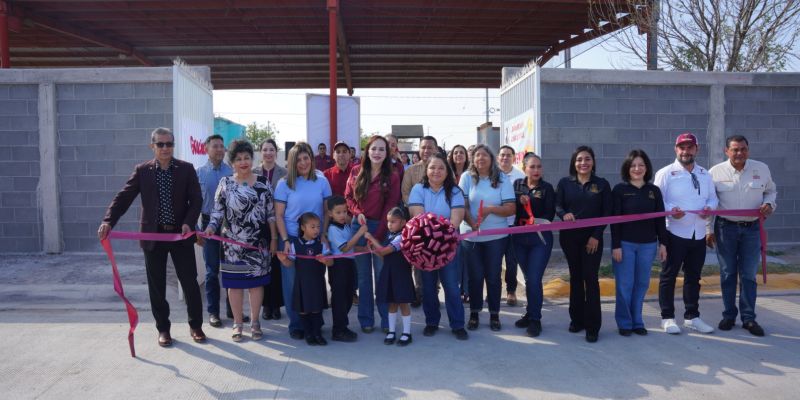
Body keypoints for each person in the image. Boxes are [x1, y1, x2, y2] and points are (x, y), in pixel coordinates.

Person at [98, 127, 205, 347]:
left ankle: (196, 326)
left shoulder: (186, 169)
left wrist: (188, 223)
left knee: (190, 283)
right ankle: (163, 329)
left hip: (180, 236)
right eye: (160, 144)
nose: (165, 148)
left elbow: (196, 200)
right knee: (157, 286)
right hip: (153, 237)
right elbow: (123, 198)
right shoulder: (143, 171)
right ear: (152, 146)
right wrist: (108, 220)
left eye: (169, 144)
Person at [204, 140, 277, 342]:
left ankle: (255, 322)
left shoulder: (263, 183)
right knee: (234, 286)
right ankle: (238, 323)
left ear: (252, 159)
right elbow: (217, 213)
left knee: (255, 285)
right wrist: (210, 227)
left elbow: (271, 214)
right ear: (232, 162)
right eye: (238, 159)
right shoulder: (225, 184)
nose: (243, 162)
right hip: (231, 247)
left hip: (258, 245)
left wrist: (273, 239)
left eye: (246, 158)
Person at [707, 135, 776, 337]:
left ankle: (748, 318)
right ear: (726, 151)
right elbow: (709, 203)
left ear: (748, 150)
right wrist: (708, 230)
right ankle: (729, 315)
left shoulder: (761, 169)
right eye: (735, 149)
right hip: (724, 229)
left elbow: (771, 191)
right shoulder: (715, 172)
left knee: (748, 275)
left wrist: (770, 204)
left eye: (743, 149)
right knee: (728, 273)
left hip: (752, 229)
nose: (739, 153)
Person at [654, 132, 718, 335]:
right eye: (682, 147)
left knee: (693, 277)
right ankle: (667, 317)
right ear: (676, 149)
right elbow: (657, 200)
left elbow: (713, 198)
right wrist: (672, 209)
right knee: (669, 276)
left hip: (698, 234)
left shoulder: (704, 174)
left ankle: (692, 316)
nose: (685, 151)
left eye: (690, 147)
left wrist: (709, 208)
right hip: (674, 232)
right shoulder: (665, 173)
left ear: (696, 149)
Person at [274, 142, 333, 340]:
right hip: (291, 238)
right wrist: (285, 240)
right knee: (292, 283)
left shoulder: (322, 181)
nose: (303, 162)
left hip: (315, 239)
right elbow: (279, 215)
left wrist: (323, 234)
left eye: (306, 157)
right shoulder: (284, 184)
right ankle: (297, 325)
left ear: (311, 158)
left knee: (315, 282)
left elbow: (326, 211)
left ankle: (315, 322)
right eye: (298, 159)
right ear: (292, 162)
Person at [408, 153, 469, 340]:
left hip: (448, 246)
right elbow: (418, 218)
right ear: (426, 170)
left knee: (451, 286)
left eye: (441, 168)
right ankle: (432, 322)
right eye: (432, 167)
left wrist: (440, 238)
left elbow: (456, 220)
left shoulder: (455, 191)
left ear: (447, 171)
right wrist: (433, 237)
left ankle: (457, 324)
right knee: (427, 287)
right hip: (424, 247)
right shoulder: (418, 189)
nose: (436, 171)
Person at [556, 146, 611, 343]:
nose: (583, 163)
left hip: (592, 240)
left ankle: (593, 325)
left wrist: (596, 235)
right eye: (579, 160)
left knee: (591, 279)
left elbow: (606, 213)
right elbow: (558, 205)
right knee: (576, 277)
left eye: (587, 159)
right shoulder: (565, 183)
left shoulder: (602, 184)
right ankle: (576, 319)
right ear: (574, 163)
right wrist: (564, 214)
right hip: (569, 238)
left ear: (593, 162)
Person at [345, 135, 401, 333]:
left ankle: (387, 321)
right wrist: (357, 213)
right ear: (367, 151)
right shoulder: (355, 171)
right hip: (358, 226)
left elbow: (391, 205)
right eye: (374, 148)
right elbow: (349, 197)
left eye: (381, 149)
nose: (377, 153)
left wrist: (375, 235)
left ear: (387, 153)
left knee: (381, 275)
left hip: (381, 228)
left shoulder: (392, 176)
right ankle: (366, 320)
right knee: (363, 278)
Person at [611, 149, 668, 337]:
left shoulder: (654, 191)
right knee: (624, 285)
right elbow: (615, 220)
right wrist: (616, 245)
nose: (637, 168)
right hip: (625, 245)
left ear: (646, 168)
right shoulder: (620, 190)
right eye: (633, 165)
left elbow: (660, 220)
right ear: (627, 168)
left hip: (648, 245)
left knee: (642, 284)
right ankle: (625, 323)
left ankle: (638, 321)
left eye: (641, 165)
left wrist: (663, 244)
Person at [459, 144, 515, 332]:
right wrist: (471, 220)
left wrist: (491, 209)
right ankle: (474, 313)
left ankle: (494, 314)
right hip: (470, 235)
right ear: (472, 159)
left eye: (484, 155)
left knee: (493, 276)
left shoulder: (501, 178)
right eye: (477, 156)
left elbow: (510, 208)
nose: (480, 159)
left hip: (496, 236)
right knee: (474, 277)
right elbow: (462, 204)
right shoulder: (466, 178)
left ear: (491, 159)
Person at [512, 152, 555, 337]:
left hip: (540, 238)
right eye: (532, 166)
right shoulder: (517, 185)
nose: (536, 170)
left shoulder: (547, 188)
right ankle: (529, 313)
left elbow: (549, 214)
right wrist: (518, 201)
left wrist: (530, 206)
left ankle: (536, 319)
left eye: (539, 166)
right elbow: (510, 208)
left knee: (535, 278)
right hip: (520, 237)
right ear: (524, 168)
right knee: (529, 278)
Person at [195, 134, 235, 328]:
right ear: (206, 148)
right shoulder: (199, 173)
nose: (219, 149)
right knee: (212, 271)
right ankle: (213, 312)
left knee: (230, 269)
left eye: (222, 146)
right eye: (215, 146)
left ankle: (232, 310)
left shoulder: (232, 172)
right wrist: (196, 230)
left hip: (229, 226)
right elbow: (192, 204)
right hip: (208, 225)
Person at [277, 212, 333, 346]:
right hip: (302, 283)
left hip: (317, 283)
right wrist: (283, 260)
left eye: (318, 227)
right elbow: (290, 263)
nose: (316, 230)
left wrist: (325, 260)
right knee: (304, 309)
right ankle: (308, 333)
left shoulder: (322, 244)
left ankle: (317, 333)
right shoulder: (295, 244)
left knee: (316, 308)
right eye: (312, 227)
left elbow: (331, 262)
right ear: (303, 227)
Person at [368, 207, 416, 346]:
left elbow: (384, 252)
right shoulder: (390, 236)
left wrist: (371, 238)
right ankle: (392, 331)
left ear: (403, 222)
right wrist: (374, 250)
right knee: (392, 303)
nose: (389, 224)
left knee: (403, 303)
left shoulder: (401, 237)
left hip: (401, 274)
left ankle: (407, 333)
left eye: (393, 222)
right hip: (389, 273)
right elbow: (385, 256)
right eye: (388, 221)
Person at [401, 136, 439, 307]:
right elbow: (405, 194)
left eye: (430, 148)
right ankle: (419, 291)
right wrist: (420, 214)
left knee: (438, 255)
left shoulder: (443, 168)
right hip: (417, 222)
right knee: (418, 257)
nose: (426, 151)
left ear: (436, 149)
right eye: (423, 148)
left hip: (439, 224)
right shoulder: (410, 171)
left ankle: (434, 292)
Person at [253, 138, 287, 321]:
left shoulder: (285, 173)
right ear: (260, 152)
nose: (268, 153)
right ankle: (265, 305)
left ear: (276, 151)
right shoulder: (252, 172)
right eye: (265, 149)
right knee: (262, 266)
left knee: (276, 265)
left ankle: (276, 305)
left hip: (279, 224)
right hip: (259, 226)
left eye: (271, 149)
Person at [326, 195, 367, 342]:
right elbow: (345, 247)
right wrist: (360, 233)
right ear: (330, 213)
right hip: (339, 266)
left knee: (349, 296)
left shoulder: (345, 226)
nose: (343, 215)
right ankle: (338, 330)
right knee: (340, 298)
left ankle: (343, 327)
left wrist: (364, 246)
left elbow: (352, 246)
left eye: (344, 211)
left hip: (349, 263)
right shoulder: (332, 229)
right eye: (338, 212)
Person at [498, 145, 526, 306]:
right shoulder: (491, 175)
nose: (505, 158)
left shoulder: (520, 176)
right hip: (495, 225)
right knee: (493, 261)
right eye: (502, 155)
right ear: (497, 157)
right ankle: (495, 290)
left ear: (514, 158)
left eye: (508, 155)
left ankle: (511, 291)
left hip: (513, 225)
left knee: (511, 261)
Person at [447, 144, 470, 303]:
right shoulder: (447, 174)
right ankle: (456, 288)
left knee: (466, 257)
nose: (459, 155)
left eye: (462, 152)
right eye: (456, 153)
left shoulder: (471, 174)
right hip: (452, 219)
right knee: (455, 257)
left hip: (467, 220)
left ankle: (466, 290)